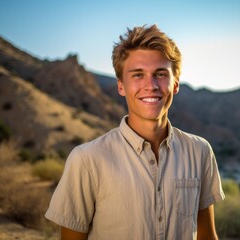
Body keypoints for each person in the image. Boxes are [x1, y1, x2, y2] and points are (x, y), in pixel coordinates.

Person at [45, 24, 224, 240]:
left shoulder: (200, 151)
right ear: (121, 86)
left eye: (160, 74)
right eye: (138, 75)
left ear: (175, 84)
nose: (151, 85)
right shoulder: (86, 159)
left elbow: (207, 236)